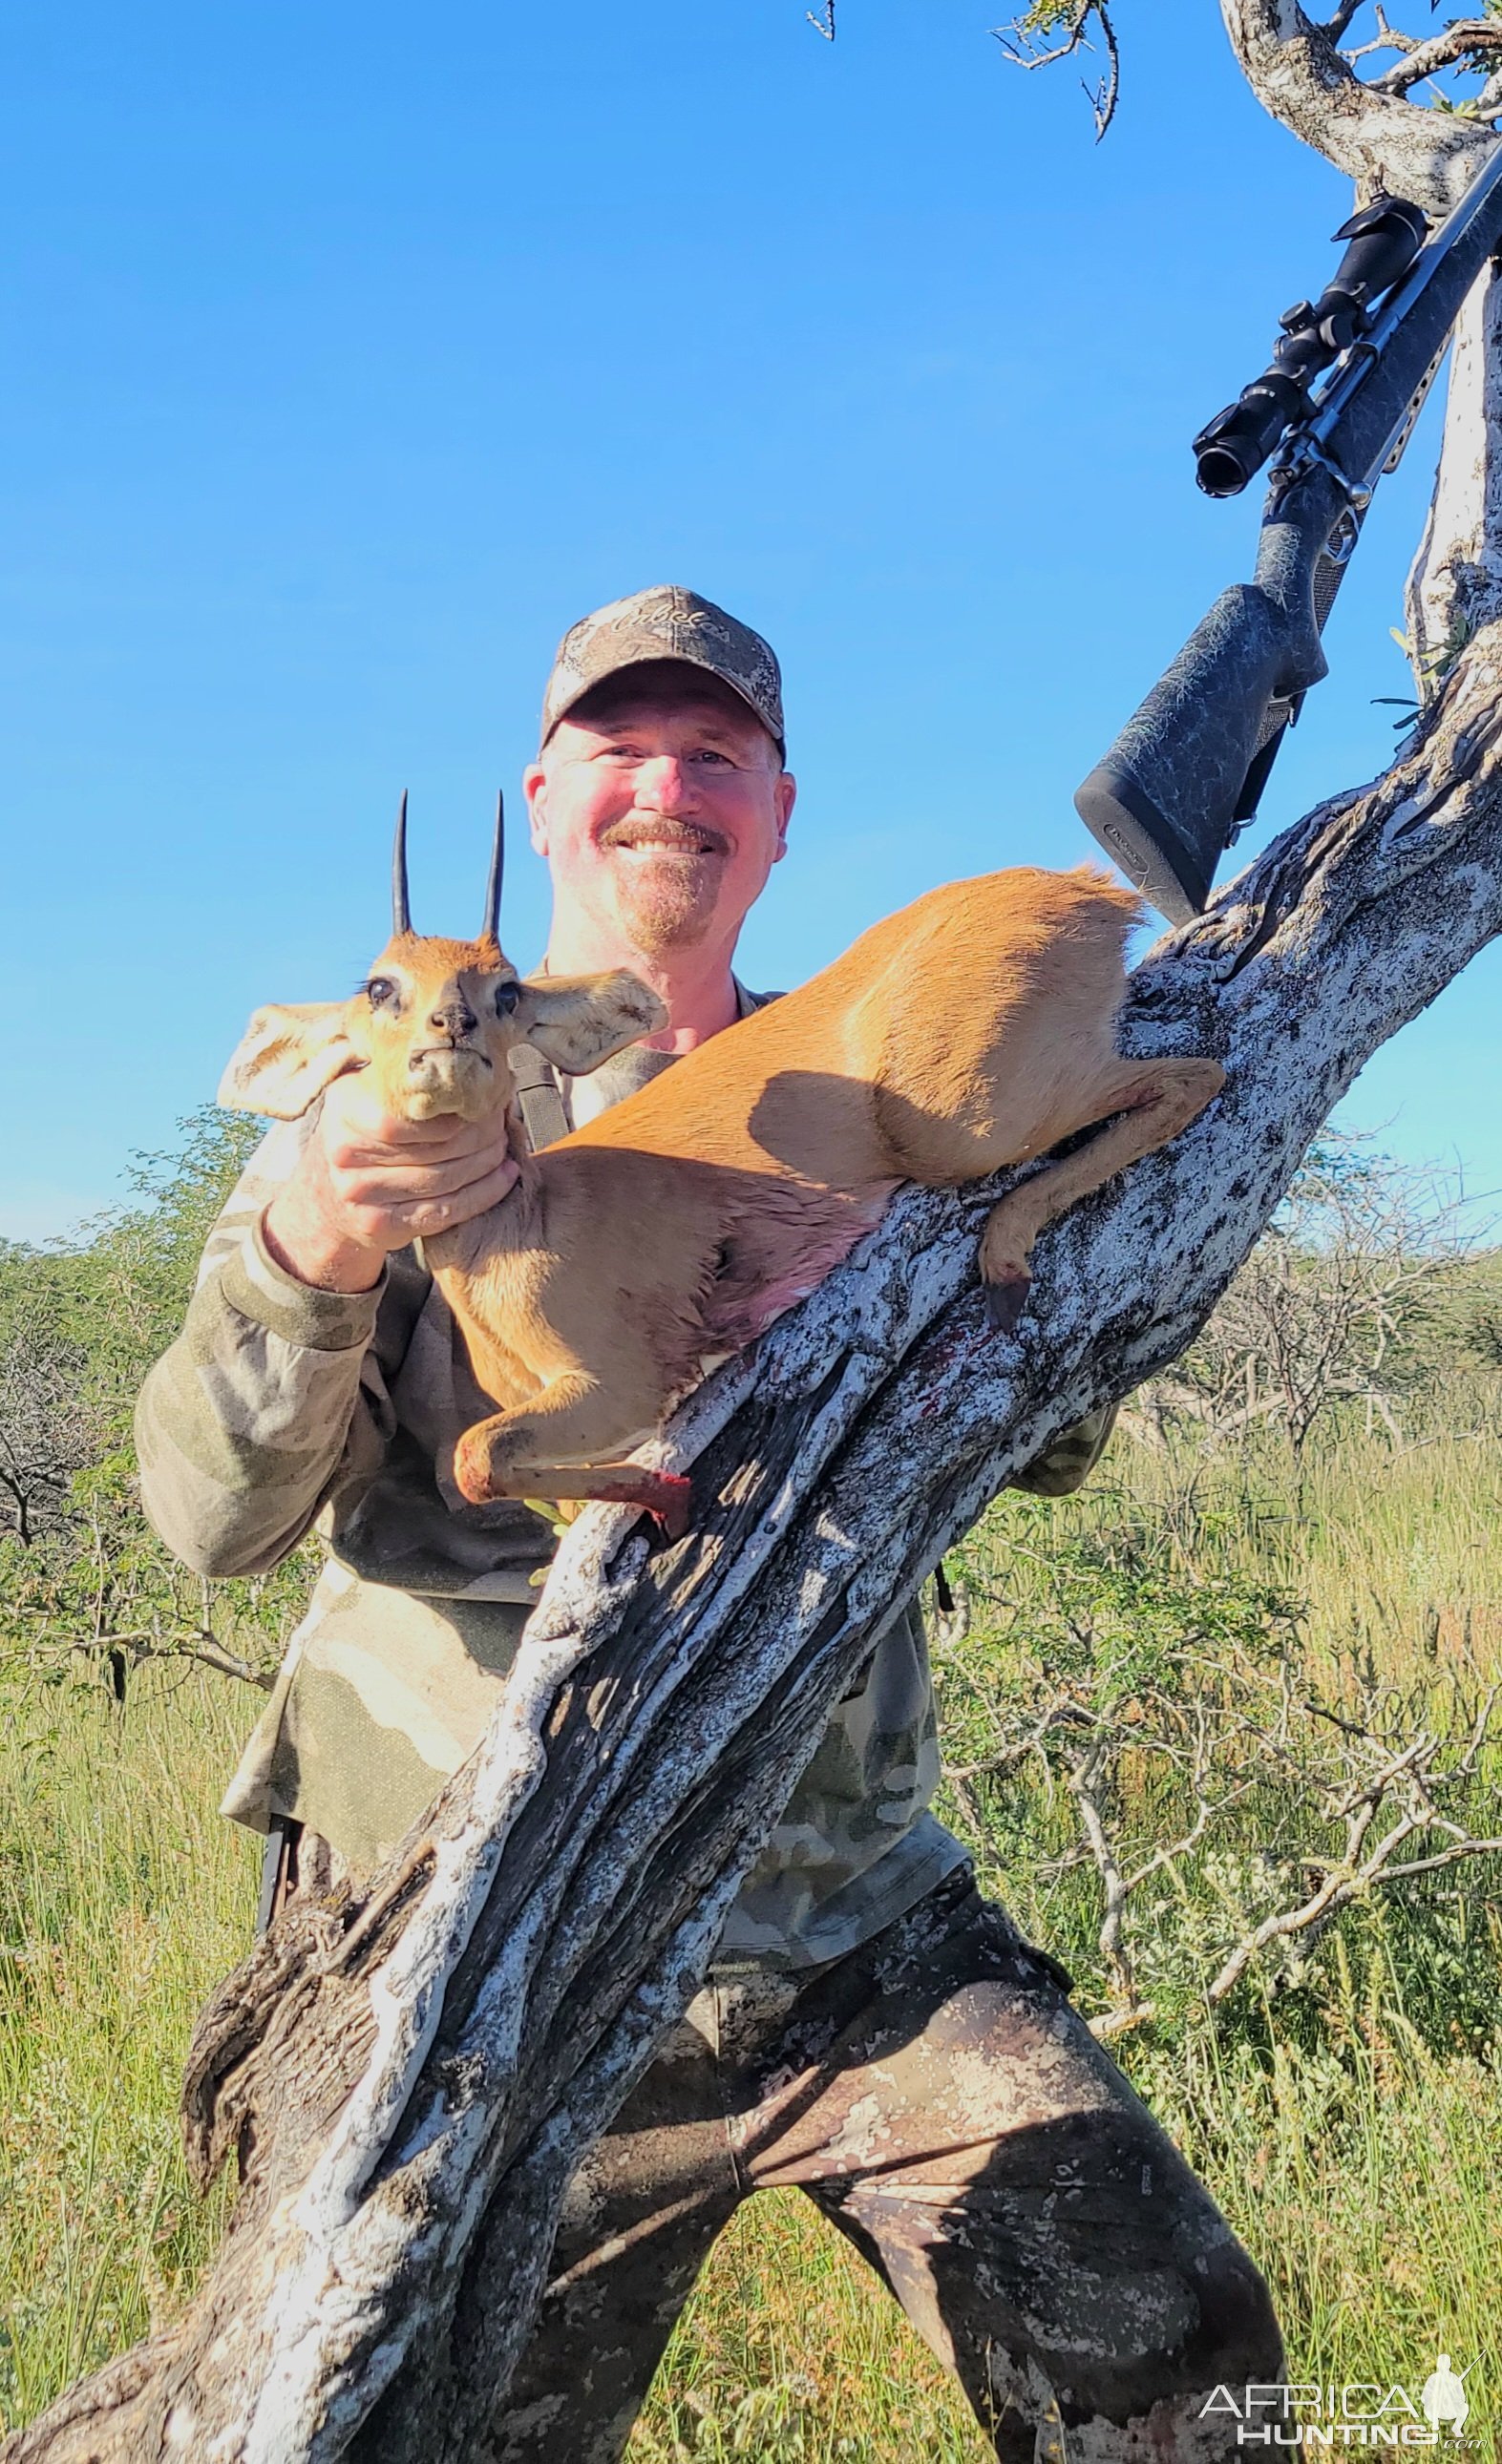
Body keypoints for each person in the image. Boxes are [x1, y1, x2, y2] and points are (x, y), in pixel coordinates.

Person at [136, 585, 1284, 2460]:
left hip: (839, 1911)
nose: (665, 785)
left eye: (714, 754)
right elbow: (209, 1516)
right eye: (620, 746)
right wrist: (323, 1237)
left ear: (774, 809)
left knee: (1185, 2363)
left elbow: (1039, 1445)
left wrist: (1066, 1257)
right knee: (414, 2418)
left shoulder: (892, 1065)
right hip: (482, 1925)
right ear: (541, 793)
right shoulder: (374, 1115)